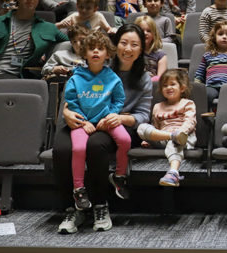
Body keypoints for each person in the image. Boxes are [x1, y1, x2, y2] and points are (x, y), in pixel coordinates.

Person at [54, 24, 153, 234]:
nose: (128, 49)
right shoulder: (97, 65)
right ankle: (72, 209)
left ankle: (100, 205)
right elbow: (72, 97)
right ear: (114, 47)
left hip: (117, 125)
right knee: (61, 149)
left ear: (141, 49)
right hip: (83, 119)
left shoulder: (143, 78)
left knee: (96, 145)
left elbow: (144, 115)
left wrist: (119, 117)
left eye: (134, 45)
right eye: (123, 43)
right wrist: (67, 113)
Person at [63, 31, 128, 212]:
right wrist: (84, 122)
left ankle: (119, 176)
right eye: (91, 49)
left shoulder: (113, 78)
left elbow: (118, 101)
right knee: (78, 148)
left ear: (108, 54)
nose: (96, 52)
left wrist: (109, 116)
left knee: (125, 140)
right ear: (84, 54)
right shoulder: (76, 78)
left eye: (100, 49)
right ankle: (79, 189)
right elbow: (72, 102)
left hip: (106, 120)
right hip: (83, 123)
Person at [137, 68, 197, 187]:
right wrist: (148, 139)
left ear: (182, 88)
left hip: (184, 137)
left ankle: (173, 173)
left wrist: (180, 132)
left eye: (172, 84)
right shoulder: (157, 106)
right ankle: (172, 136)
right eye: (165, 85)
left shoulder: (187, 103)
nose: (168, 87)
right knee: (141, 127)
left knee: (174, 141)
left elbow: (190, 121)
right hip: (163, 136)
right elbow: (155, 126)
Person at [194, 21, 227, 109]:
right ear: (214, 37)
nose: (224, 37)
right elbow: (199, 74)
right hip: (211, 87)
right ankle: (208, 118)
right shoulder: (208, 55)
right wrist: (197, 88)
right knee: (205, 96)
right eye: (220, 34)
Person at [134, 15, 167, 82]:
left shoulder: (161, 56)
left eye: (149, 31)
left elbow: (160, 80)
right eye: (141, 30)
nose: (145, 33)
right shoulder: (132, 52)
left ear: (154, 34)